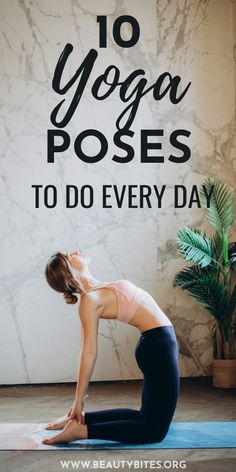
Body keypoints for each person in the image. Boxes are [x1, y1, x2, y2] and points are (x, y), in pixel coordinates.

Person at [42, 250, 180, 445]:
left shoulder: (98, 288)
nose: (75, 252)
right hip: (158, 348)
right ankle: (79, 432)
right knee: (154, 431)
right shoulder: (90, 300)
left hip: (158, 344)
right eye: (69, 254)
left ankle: (78, 421)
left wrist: (78, 412)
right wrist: (78, 401)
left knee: (143, 417)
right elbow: (88, 351)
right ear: (70, 272)